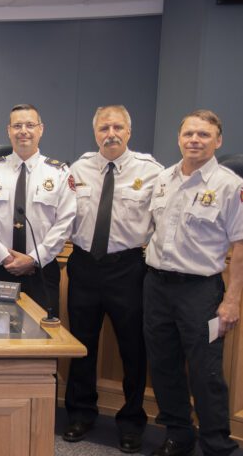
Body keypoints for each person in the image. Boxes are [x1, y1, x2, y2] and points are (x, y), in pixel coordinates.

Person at [62, 105, 163, 453]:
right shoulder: (78, 168)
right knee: (81, 345)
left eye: (118, 127)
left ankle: (132, 422)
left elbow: (162, 222)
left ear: (129, 132)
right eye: (104, 127)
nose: (111, 133)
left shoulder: (152, 172)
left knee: (132, 349)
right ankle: (80, 413)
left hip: (128, 268)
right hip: (84, 265)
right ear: (95, 132)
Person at [144, 110, 241, 456]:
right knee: (163, 366)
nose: (194, 140)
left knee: (206, 372)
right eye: (188, 134)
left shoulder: (231, 186)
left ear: (218, 141)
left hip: (200, 292)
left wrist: (232, 301)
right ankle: (178, 435)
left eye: (203, 134)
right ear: (179, 138)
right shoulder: (164, 179)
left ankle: (217, 445)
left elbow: (241, 245)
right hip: (156, 286)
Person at [0, 104, 75, 315]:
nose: (23, 131)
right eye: (17, 125)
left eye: (30, 125)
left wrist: (33, 259)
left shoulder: (59, 173)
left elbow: (65, 223)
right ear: (8, 131)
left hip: (42, 270)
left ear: (41, 129)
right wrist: (5, 257)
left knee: (43, 339)